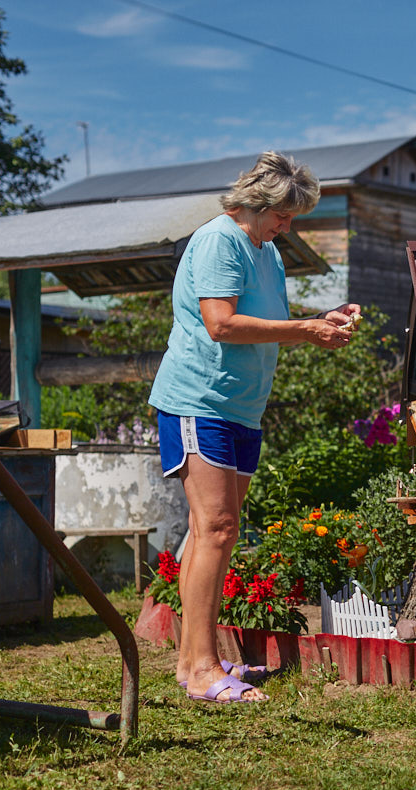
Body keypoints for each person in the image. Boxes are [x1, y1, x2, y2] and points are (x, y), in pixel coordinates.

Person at [148, 151, 360, 704]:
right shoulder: (221, 240)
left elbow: (268, 324)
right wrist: (306, 329)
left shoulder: (267, 253)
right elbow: (221, 323)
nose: (289, 227)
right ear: (255, 204)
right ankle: (200, 672)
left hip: (242, 408)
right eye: (283, 216)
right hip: (199, 401)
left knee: (212, 530)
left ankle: (194, 662)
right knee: (215, 527)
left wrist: (323, 322)